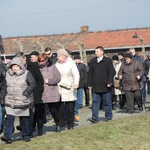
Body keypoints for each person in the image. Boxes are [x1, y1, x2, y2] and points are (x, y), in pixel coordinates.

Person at [1, 57, 35, 143]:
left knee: (24, 120)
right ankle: (7, 136)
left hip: (22, 100)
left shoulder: (27, 73)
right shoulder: (8, 74)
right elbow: (4, 86)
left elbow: (32, 84)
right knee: (9, 119)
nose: (14, 68)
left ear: (20, 66)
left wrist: (26, 94)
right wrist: (3, 98)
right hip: (10, 100)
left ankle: (26, 135)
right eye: (13, 66)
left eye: (16, 66)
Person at [15, 51, 44, 137]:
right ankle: (27, 131)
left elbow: (40, 79)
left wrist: (39, 90)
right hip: (23, 94)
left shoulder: (33, 66)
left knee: (37, 112)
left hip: (35, 93)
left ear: (24, 58)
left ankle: (39, 128)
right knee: (25, 113)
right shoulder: (16, 69)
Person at [88, 46, 116, 123]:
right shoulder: (93, 61)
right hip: (96, 86)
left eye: (97, 51)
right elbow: (90, 73)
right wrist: (89, 83)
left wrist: (109, 82)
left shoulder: (108, 61)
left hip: (106, 86)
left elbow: (112, 72)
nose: (95, 53)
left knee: (107, 102)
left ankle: (108, 116)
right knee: (95, 102)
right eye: (95, 51)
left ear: (102, 52)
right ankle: (94, 118)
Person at [55, 49, 79, 130]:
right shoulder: (56, 64)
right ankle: (62, 123)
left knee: (70, 107)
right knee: (60, 107)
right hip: (59, 88)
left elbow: (76, 74)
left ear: (63, 56)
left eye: (59, 56)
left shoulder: (71, 63)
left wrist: (76, 83)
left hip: (69, 87)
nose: (57, 57)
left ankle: (70, 123)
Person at [37, 53, 61, 132]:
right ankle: (40, 127)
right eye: (39, 61)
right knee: (40, 111)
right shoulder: (37, 68)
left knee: (53, 109)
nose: (41, 62)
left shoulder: (52, 67)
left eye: (42, 61)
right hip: (41, 91)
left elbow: (58, 77)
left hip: (51, 91)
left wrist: (50, 81)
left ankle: (58, 123)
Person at [74, 55, 87, 121]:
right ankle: (77, 104)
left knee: (80, 93)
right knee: (75, 94)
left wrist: (85, 81)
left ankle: (80, 103)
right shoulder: (73, 65)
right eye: (75, 59)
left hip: (81, 82)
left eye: (78, 59)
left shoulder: (82, 66)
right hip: (74, 83)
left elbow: (85, 73)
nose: (77, 60)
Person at [0, 63, 7, 134]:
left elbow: (4, 85)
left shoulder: (2, 67)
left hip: (2, 94)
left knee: (2, 112)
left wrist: (2, 98)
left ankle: (4, 127)